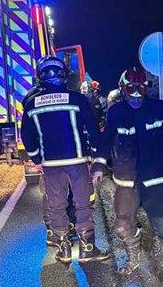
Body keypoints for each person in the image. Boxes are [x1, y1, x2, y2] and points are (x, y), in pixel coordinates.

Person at [21, 56, 110, 264]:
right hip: (77, 163)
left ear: (40, 76)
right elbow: (94, 131)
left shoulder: (32, 103)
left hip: (51, 166)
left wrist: (37, 158)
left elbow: (27, 136)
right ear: (63, 74)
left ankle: (64, 248)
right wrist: (98, 161)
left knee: (56, 205)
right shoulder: (77, 99)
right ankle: (87, 248)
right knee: (83, 203)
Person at [101, 66, 163, 275]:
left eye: (141, 89)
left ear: (147, 89)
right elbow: (105, 141)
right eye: (131, 89)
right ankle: (133, 253)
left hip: (154, 178)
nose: (136, 95)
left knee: (162, 225)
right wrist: (99, 166)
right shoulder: (115, 112)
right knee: (121, 226)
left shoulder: (159, 108)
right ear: (122, 89)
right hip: (127, 179)